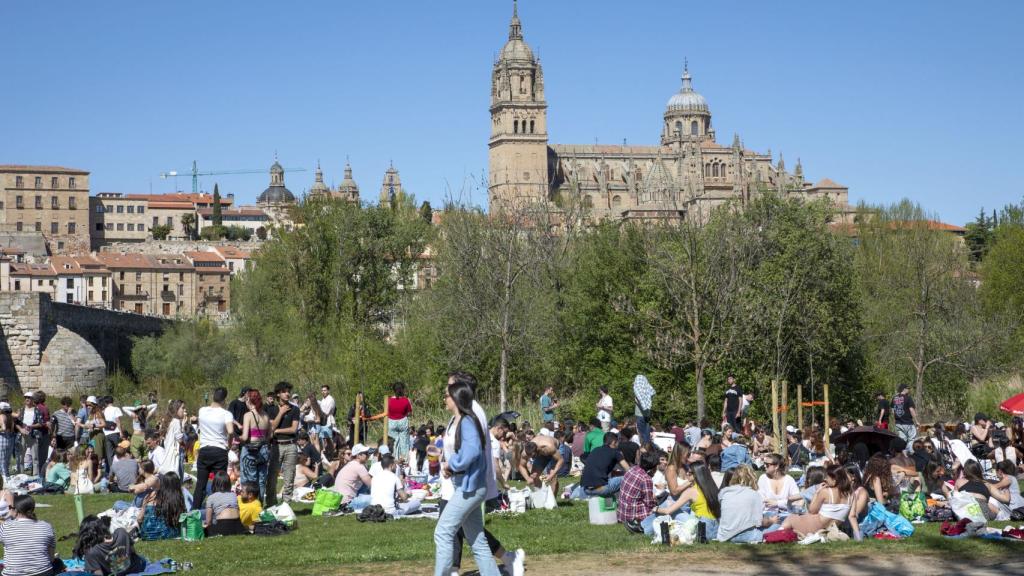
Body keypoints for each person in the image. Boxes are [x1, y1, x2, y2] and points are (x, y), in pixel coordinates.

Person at [433, 376, 500, 576]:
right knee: (477, 541)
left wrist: (452, 465)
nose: (444, 399)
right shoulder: (459, 420)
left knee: (442, 532)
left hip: (469, 488)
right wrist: (450, 466)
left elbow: (472, 452)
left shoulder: (468, 421)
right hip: (468, 486)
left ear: (456, 397)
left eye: (446, 395)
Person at [781, 464, 853, 536]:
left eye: (827, 477)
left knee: (791, 518)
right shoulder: (851, 495)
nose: (825, 479)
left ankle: (774, 536)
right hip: (831, 528)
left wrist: (817, 493)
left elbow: (812, 511)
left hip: (815, 527)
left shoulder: (825, 491)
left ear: (834, 480)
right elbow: (852, 515)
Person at [654, 462, 721, 539]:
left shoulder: (691, 491)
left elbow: (668, 511)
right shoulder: (712, 488)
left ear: (696, 474)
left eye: (690, 472)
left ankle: (645, 527)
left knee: (673, 510)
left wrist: (656, 509)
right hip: (716, 528)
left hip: (702, 529)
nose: (687, 474)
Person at [194, 386, 234, 510]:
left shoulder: (202, 411)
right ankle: (219, 510)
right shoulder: (226, 414)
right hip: (219, 450)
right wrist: (229, 444)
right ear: (224, 399)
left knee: (200, 484)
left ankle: (194, 511)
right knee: (219, 484)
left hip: (204, 450)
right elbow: (231, 431)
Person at [0, 494, 56, 576]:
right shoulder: (47, 526)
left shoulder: (5, 527)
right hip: (43, 572)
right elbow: (51, 557)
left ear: (15, 509)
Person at [74, 514, 146, 576]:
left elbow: (98, 574)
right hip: (138, 567)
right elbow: (132, 551)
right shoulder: (121, 532)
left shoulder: (92, 552)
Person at [266, 381, 300, 506]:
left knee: (289, 478)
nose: (287, 394)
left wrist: (277, 430)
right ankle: (271, 504)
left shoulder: (295, 409)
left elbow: (293, 429)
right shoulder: (271, 409)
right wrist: (281, 413)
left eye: (288, 391)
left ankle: (286, 506)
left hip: (291, 445)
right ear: (278, 394)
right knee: (272, 477)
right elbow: (271, 427)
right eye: (284, 391)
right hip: (276, 446)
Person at [718, 465, 765, 543]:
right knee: (776, 524)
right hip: (748, 536)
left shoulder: (724, 493)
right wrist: (771, 521)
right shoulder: (754, 494)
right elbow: (759, 522)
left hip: (725, 536)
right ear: (751, 477)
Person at [239, 389, 271, 503]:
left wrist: (235, 437)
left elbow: (244, 436)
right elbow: (269, 436)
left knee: (249, 480)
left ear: (249, 400)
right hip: (263, 450)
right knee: (261, 480)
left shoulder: (248, 415)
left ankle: (250, 504)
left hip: (250, 451)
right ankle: (260, 504)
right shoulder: (266, 416)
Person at [579, 431, 631, 498]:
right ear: (613, 442)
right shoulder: (615, 452)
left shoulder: (595, 450)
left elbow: (597, 467)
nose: (619, 444)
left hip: (586, 489)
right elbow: (629, 470)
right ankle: (626, 500)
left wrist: (617, 473)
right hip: (601, 489)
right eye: (618, 442)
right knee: (629, 478)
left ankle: (609, 501)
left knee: (610, 480)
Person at [619, 450, 660, 535]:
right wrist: (657, 504)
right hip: (632, 515)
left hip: (623, 512)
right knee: (661, 509)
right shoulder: (646, 479)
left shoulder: (633, 469)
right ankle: (640, 526)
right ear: (652, 468)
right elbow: (649, 503)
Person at [138, 471, 186, 541]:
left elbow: (139, 519)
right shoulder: (177, 498)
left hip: (146, 535)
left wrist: (143, 506)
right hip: (167, 534)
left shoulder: (152, 496)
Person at [375, 382, 413, 462]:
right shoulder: (406, 400)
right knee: (404, 442)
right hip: (403, 421)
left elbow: (386, 412)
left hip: (392, 422)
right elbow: (409, 412)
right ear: (403, 390)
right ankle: (405, 459)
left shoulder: (389, 400)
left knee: (393, 442)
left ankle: (393, 459)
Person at [204, 471, 246, 536]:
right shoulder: (233, 495)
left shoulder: (211, 497)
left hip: (223, 526)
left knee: (204, 529)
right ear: (228, 483)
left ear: (215, 483)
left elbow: (208, 521)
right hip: (238, 526)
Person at [334, 443, 374, 508]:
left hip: (339, 500)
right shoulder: (359, 467)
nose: (368, 455)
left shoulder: (351, 464)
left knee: (364, 486)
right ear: (358, 455)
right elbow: (372, 484)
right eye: (366, 453)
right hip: (347, 503)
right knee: (375, 499)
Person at [158, 400, 186, 477]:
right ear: (176, 409)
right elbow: (180, 439)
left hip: (168, 452)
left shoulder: (169, 421)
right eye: (182, 408)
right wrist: (183, 426)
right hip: (175, 454)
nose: (184, 410)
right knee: (178, 479)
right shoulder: (176, 421)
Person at [891, 385, 919, 453]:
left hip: (898, 423)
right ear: (904, 389)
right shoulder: (908, 398)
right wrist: (916, 421)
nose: (909, 390)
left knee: (902, 440)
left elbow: (893, 410)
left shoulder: (894, 398)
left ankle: (903, 454)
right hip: (908, 423)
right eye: (908, 388)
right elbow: (911, 410)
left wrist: (895, 420)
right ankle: (910, 455)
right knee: (911, 439)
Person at [100, 396, 123, 476]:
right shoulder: (116, 409)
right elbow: (118, 421)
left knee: (110, 454)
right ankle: (121, 469)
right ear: (112, 401)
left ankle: (112, 472)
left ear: (105, 402)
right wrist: (121, 432)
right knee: (120, 451)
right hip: (115, 432)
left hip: (106, 433)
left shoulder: (103, 411)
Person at [0, 402, 22, 478]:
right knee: (7, 459)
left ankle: (4, 477)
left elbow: (3, 428)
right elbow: (18, 415)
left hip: (2, 439)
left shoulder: (1, 416)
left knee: (2, 460)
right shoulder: (10, 416)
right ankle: (7, 475)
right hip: (10, 438)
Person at [633, 375, 655, 445]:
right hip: (647, 414)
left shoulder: (638, 390)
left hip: (640, 415)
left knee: (642, 434)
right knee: (647, 433)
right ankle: (648, 447)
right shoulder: (647, 390)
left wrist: (636, 401)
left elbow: (640, 402)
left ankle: (645, 448)